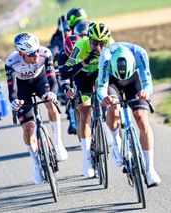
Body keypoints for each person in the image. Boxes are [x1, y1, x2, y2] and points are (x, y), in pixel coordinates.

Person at [5, 33, 68, 184]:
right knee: (28, 128)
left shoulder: (45, 53)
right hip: (22, 88)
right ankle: (36, 163)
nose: (36, 55)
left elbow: (52, 78)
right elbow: (12, 90)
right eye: (31, 53)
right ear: (21, 53)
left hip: (41, 81)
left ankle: (58, 143)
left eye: (36, 51)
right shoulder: (11, 62)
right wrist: (14, 101)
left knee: (50, 103)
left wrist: (51, 92)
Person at [96, 42, 161, 187]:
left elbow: (148, 84)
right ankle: (116, 141)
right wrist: (104, 98)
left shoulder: (140, 54)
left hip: (134, 80)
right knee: (113, 108)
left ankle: (150, 170)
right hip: (112, 83)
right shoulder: (105, 57)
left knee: (142, 120)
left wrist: (146, 92)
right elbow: (101, 88)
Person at [60, 23, 115, 178]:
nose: (97, 47)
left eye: (101, 43)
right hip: (82, 75)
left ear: (107, 41)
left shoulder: (111, 44)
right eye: (94, 43)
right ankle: (87, 159)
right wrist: (85, 61)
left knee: (111, 98)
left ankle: (115, 142)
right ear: (88, 39)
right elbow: (64, 72)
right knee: (85, 113)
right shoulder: (80, 45)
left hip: (100, 74)